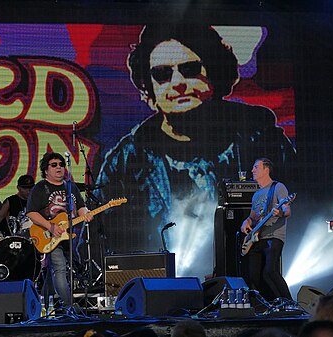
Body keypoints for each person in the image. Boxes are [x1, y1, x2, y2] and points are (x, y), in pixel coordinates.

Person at [95, 24, 296, 251]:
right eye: (162, 74)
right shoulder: (126, 161)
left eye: (189, 69)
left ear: (213, 72)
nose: (178, 83)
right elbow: (100, 239)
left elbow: (304, 203)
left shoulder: (259, 135)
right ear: (148, 88)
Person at [26, 152, 93, 308]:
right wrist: (51, 226)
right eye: (54, 165)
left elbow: (81, 207)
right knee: (60, 268)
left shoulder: (71, 186)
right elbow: (31, 212)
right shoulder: (40, 188)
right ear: (46, 169)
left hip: (69, 237)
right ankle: (70, 306)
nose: (59, 167)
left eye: (61, 164)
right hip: (49, 235)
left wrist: (86, 214)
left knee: (54, 272)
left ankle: (44, 305)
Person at [240, 158, 292, 300]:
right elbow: (252, 216)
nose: (252, 170)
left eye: (256, 167)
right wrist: (246, 221)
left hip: (274, 236)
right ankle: (270, 304)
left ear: (266, 170)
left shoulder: (278, 187)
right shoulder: (256, 194)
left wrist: (280, 213)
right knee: (254, 276)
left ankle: (290, 303)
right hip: (257, 238)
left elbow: (287, 210)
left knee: (271, 271)